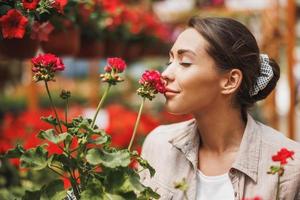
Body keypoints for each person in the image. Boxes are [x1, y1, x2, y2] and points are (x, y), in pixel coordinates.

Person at [140, 17, 300, 200]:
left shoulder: (290, 166)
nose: (165, 74)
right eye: (170, 61)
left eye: (184, 62)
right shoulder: (158, 144)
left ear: (230, 81)